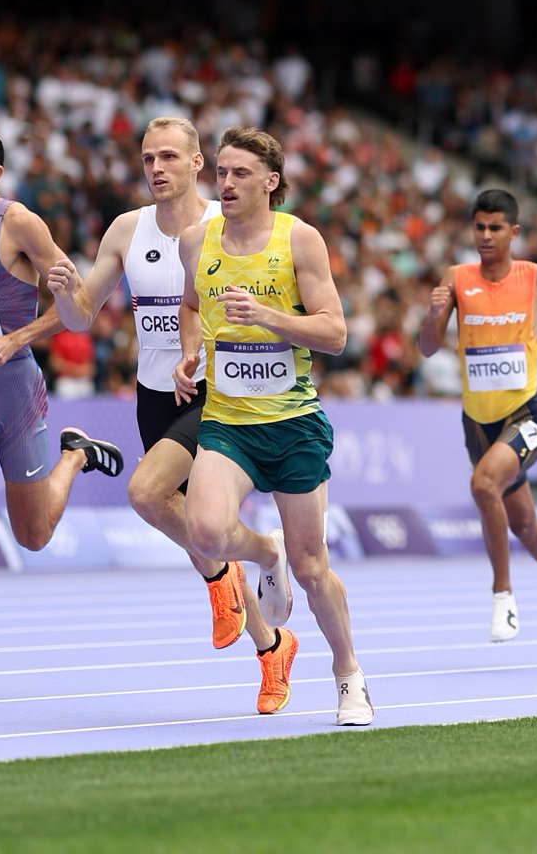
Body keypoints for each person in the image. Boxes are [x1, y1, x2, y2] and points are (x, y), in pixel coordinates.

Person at [48, 117, 296, 715]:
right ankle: (273, 646)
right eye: (145, 159)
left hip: (215, 391)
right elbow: (82, 315)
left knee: (146, 492)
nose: (155, 168)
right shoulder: (126, 230)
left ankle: (233, 575)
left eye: (166, 157)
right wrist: (62, 291)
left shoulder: (224, 222)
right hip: (154, 395)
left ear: (195, 164)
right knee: (191, 523)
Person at [173, 125, 373, 726]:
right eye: (222, 172)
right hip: (228, 423)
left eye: (239, 174)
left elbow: (335, 333)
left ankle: (348, 675)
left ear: (270, 182)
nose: (226, 183)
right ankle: (264, 553)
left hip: (291, 424)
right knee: (205, 534)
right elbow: (189, 305)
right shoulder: (195, 242)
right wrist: (190, 353)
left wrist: (266, 315)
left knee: (313, 571)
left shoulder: (299, 241)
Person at [0, 125, 124, 702]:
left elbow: (78, 308)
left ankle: (74, 455)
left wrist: (16, 339)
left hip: (14, 387)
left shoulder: (21, 224)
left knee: (33, 534)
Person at [418, 188, 537, 642]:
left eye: (495, 228)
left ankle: (503, 595)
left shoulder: (535, 277)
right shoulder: (458, 278)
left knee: (483, 485)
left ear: (513, 232)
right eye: (479, 226)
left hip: (526, 416)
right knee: (522, 524)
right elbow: (426, 348)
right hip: (477, 423)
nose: (485, 235)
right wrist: (435, 314)